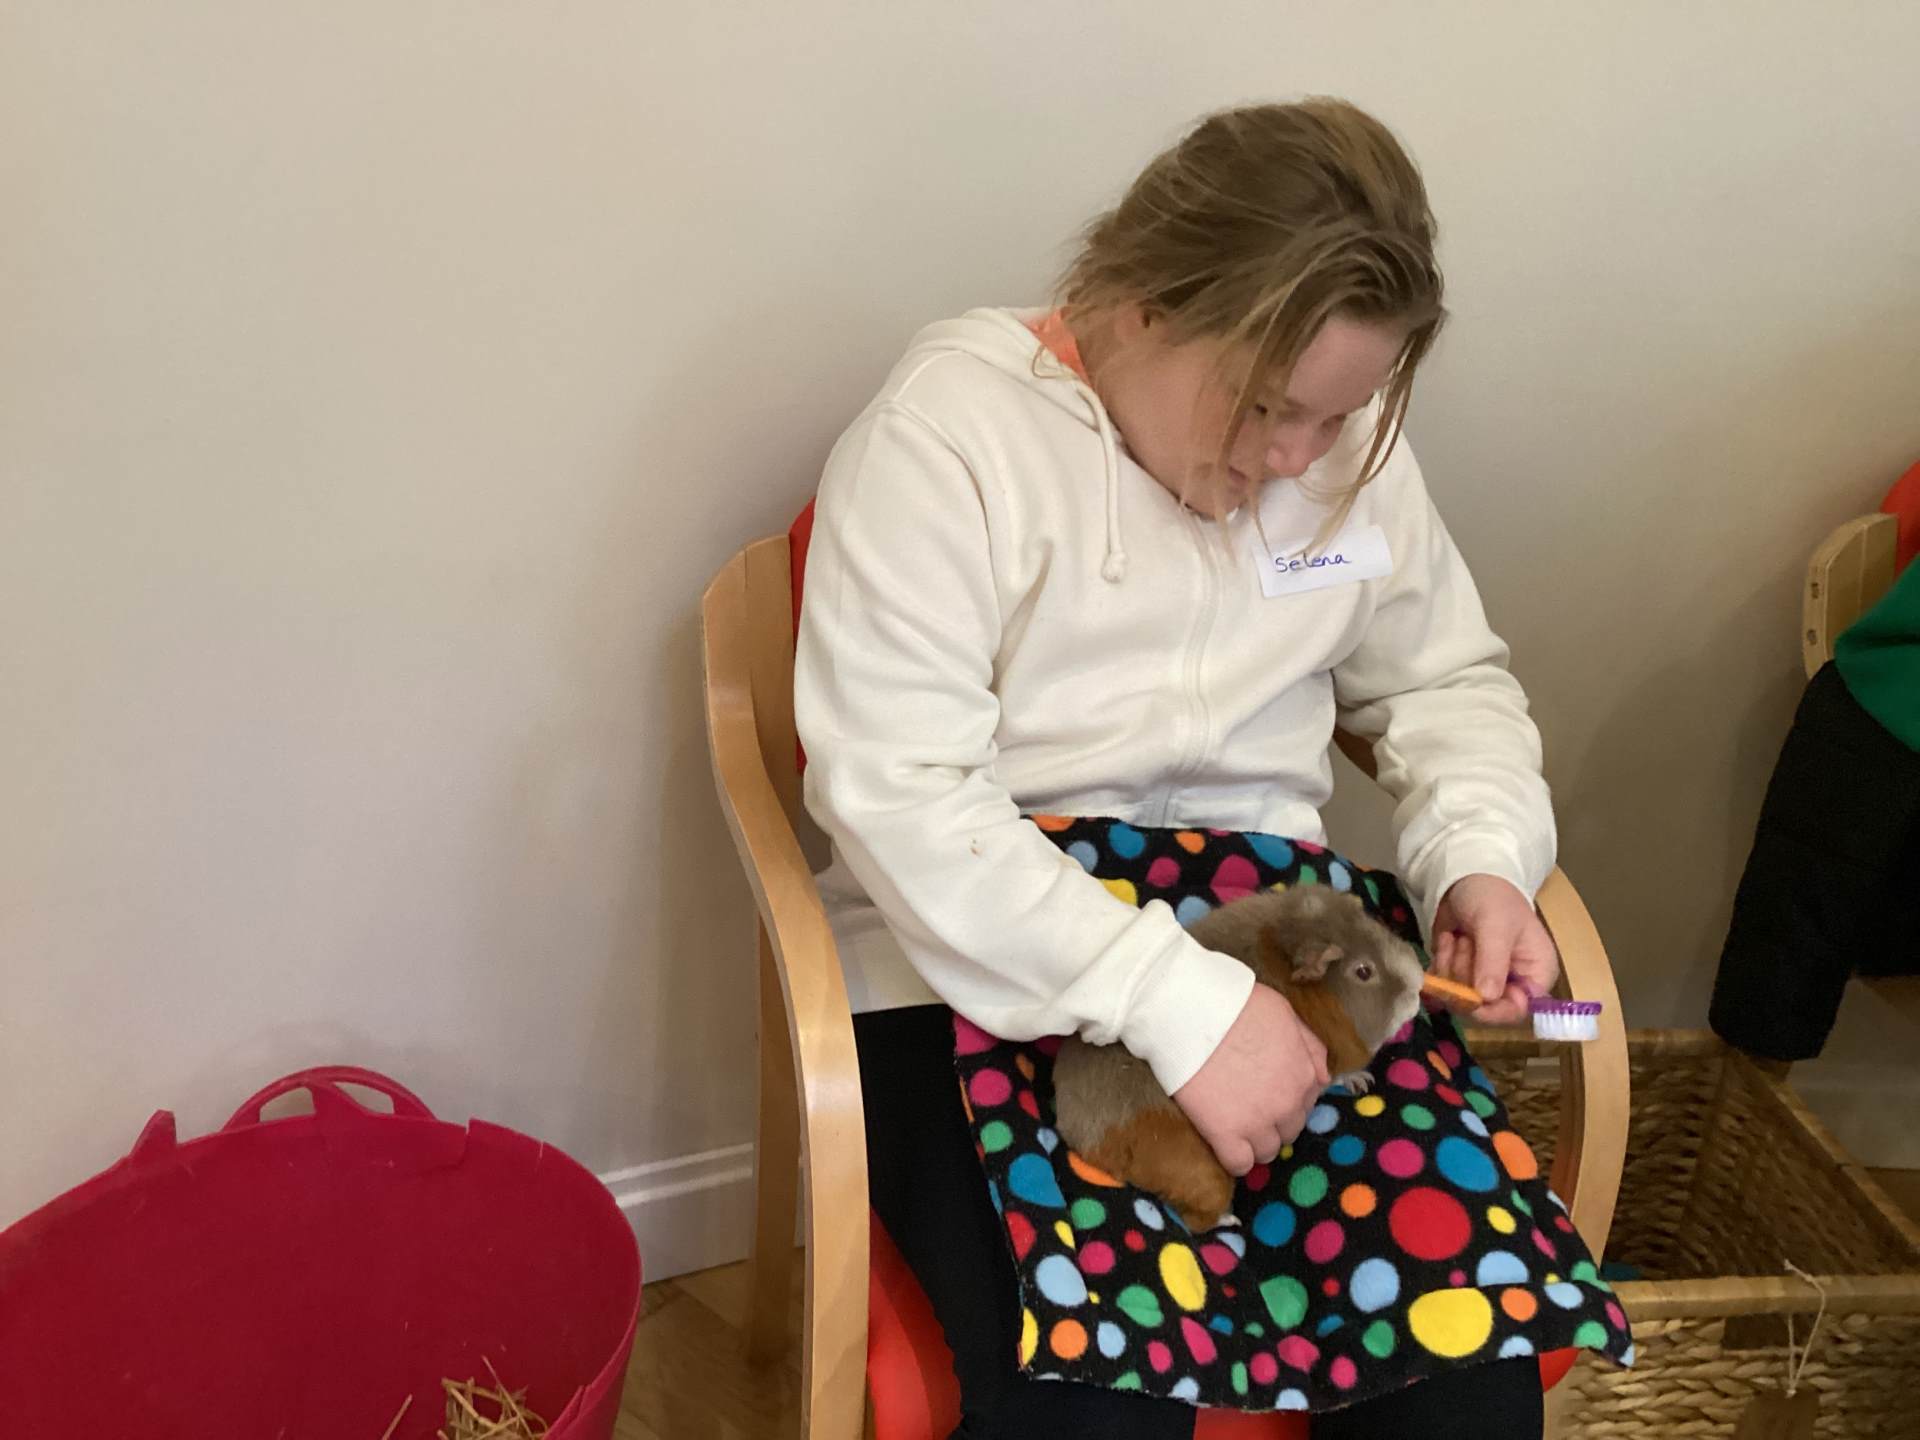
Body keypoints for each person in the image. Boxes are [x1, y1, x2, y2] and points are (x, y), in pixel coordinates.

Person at [794, 98, 1561, 1439]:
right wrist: (1177, 1004)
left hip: (1283, 938)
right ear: (1139, 303)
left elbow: (1444, 682)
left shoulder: (1340, 461)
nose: (1295, 461)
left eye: (1340, 416)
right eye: (1266, 407)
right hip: (988, 947)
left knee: (1462, 1375)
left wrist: (1484, 855)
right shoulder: (949, 436)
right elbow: (902, 794)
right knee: (1097, 1399)